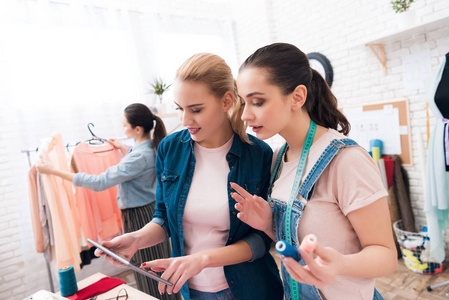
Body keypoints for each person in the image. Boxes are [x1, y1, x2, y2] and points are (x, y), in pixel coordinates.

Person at [94, 53, 284, 300]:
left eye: (195, 110)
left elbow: (263, 237)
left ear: (227, 100)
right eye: (180, 109)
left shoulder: (258, 155)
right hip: (193, 291)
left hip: (251, 290)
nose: (185, 120)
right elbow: (163, 218)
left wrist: (202, 260)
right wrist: (136, 240)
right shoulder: (170, 149)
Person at [230, 43, 398, 300]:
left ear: (297, 97)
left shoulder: (346, 160)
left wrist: (340, 265)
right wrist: (268, 225)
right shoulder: (278, 159)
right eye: (244, 103)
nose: (245, 115)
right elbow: (301, 243)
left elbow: (386, 255)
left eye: (257, 102)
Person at [36, 103, 179, 300]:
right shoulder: (152, 147)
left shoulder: (138, 155)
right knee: (157, 267)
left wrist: (54, 171)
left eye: (124, 125)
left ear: (137, 129)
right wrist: (124, 149)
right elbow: (139, 167)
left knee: (148, 271)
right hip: (149, 210)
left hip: (140, 216)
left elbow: (100, 181)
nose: (122, 129)